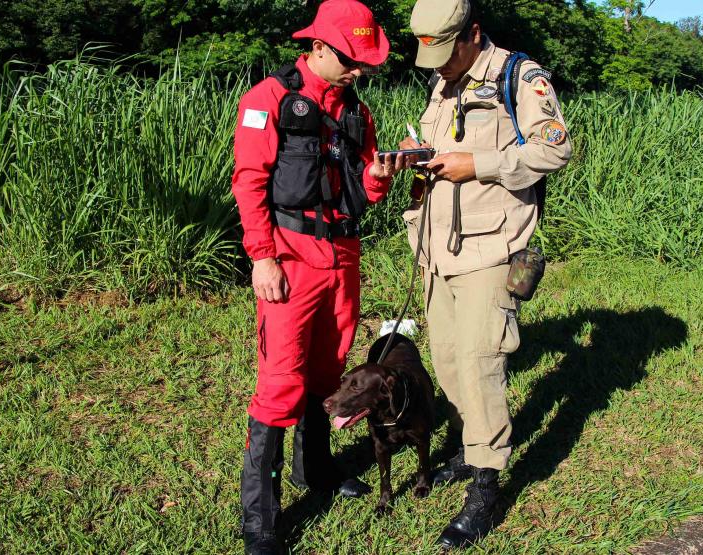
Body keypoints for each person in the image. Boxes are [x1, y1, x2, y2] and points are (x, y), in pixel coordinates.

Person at [231, 1, 407, 553]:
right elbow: (249, 182)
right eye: (352, 60)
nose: (360, 71)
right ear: (319, 47)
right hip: (289, 257)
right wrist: (262, 257)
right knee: (281, 380)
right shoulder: (268, 99)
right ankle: (260, 521)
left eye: (366, 62)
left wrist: (380, 176)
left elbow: (365, 189)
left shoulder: (357, 111)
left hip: (343, 256)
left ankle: (316, 470)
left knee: (328, 370)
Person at [401, 0, 573, 549]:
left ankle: (487, 485)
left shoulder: (519, 76)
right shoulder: (443, 81)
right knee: (448, 359)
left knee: (480, 363)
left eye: (447, 52)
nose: (439, 65)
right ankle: (467, 445)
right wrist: (417, 154)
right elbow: (445, 146)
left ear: (472, 33)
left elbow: (556, 148)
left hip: (490, 249)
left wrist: (480, 164)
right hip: (437, 249)